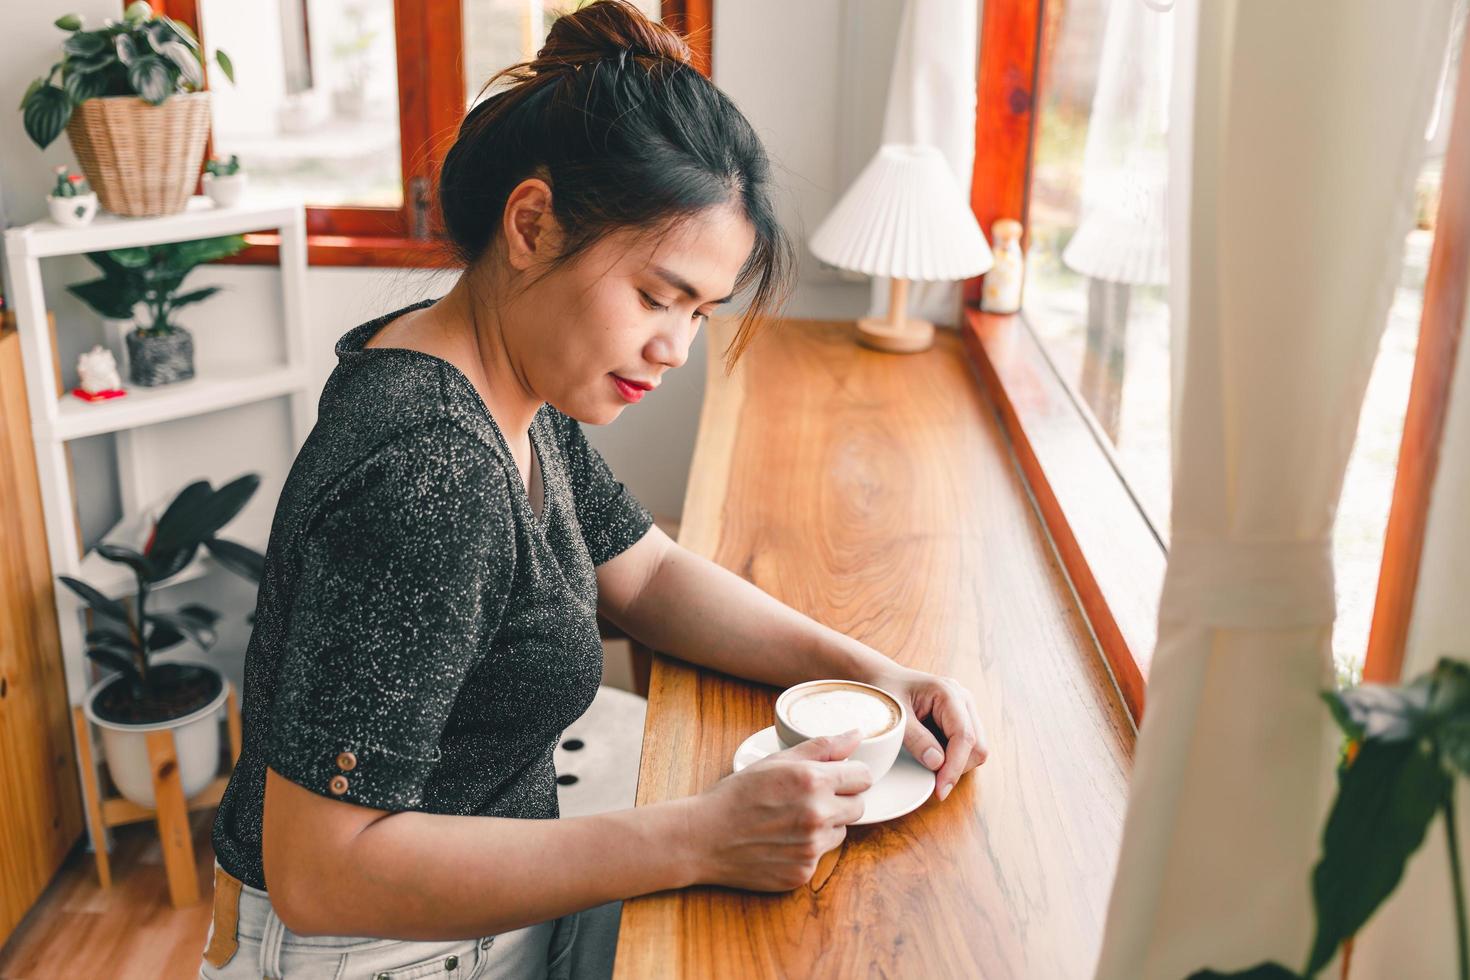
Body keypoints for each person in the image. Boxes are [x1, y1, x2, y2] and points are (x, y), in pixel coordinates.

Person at [199, 2, 988, 977]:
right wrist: (700, 834)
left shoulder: (507, 380)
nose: (675, 348)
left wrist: (871, 673)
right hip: (373, 949)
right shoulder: (428, 475)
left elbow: (646, 577)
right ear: (531, 223)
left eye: (700, 310)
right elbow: (322, 869)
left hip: (464, 920)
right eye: (657, 296)